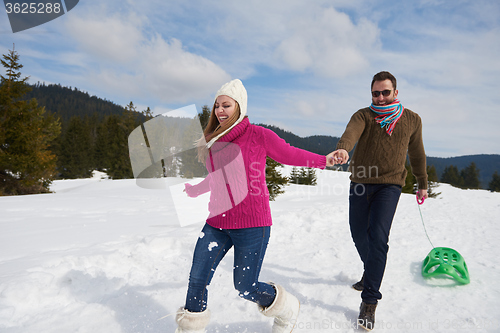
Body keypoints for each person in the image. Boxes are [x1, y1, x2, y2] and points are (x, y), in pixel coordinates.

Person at [175, 79, 336, 333]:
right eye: (217, 106)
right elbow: (219, 176)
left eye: (226, 105)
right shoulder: (213, 141)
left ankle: (287, 309)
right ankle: (190, 329)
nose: (219, 111)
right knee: (197, 279)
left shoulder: (258, 135)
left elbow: (289, 153)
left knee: (246, 287)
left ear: (239, 107)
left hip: (252, 224)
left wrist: (322, 161)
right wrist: (196, 189)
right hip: (217, 222)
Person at [330, 71, 428, 331]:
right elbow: (352, 132)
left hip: (390, 185)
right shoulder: (364, 115)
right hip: (361, 182)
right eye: (376, 93)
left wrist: (422, 183)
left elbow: (417, 154)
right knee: (358, 234)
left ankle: (370, 300)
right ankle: (370, 269)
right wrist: (343, 148)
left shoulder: (412, 120)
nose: (381, 98)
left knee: (378, 238)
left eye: (386, 92)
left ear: (396, 92)